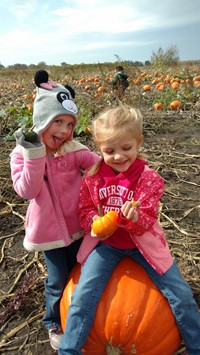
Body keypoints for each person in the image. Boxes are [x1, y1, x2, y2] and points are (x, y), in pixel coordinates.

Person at [59, 105, 200, 355]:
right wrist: (96, 223)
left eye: (126, 148)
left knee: (180, 293)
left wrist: (133, 219)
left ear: (138, 142)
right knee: (82, 296)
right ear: (99, 149)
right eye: (109, 151)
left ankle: (196, 346)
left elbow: (147, 220)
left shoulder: (149, 179)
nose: (118, 156)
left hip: (142, 244)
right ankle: (68, 350)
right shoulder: (92, 178)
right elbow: (85, 210)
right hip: (107, 246)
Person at [10, 70, 99, 351]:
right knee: (58, 279)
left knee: (81, 271)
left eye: (69, 124)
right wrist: (34, 154)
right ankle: (53, 321)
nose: (63, 130)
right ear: (41, 121)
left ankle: (79, 311)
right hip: (49, 232)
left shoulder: (73, 150)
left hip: (79, 226)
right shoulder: (21, 154)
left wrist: (124, 172)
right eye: (57, 121)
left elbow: (99, 165)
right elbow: (27, 191)